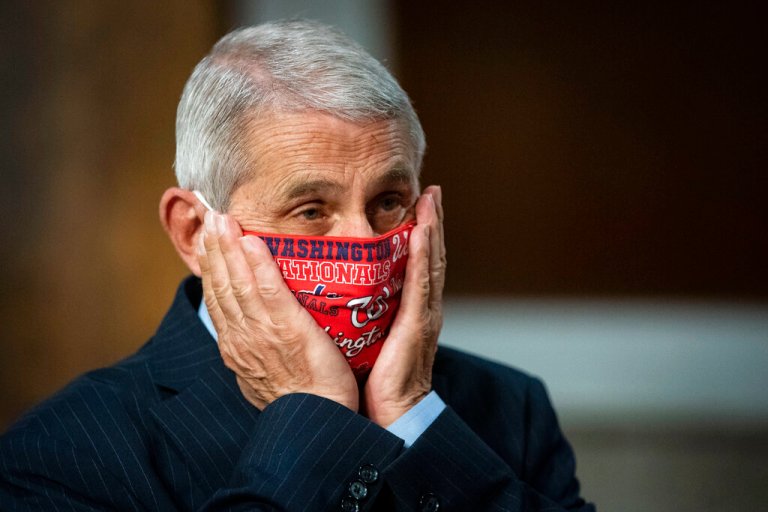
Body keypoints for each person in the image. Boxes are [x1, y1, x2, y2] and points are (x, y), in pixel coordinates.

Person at [0, 20, 595, 511]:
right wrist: (313, 419)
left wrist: (414, 419)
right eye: (311, 210)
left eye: (389, 201)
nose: (364, 243)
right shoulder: (62, 453)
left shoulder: (509, 407)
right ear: (194, 231)